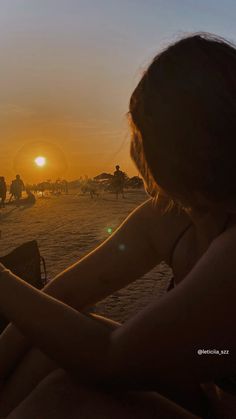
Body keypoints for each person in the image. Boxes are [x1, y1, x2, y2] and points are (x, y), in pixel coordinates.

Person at [1, 33, 236, 419]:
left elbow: (109, 360)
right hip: (208, 388)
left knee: (65, 395)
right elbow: (64, 294)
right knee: (56, 337)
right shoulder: (171, 215)